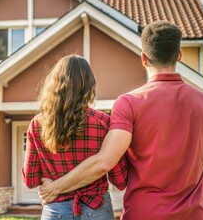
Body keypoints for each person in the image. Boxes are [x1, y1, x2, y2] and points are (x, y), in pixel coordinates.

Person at [39, 21, 203, 220]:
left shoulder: (128, 103)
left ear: (144, 59)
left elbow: (104, 162)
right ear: (179, 55)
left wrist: (55, 188)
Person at [22, 55, 128, 220]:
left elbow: (30, 179)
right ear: (89, 86)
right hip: (96, 208)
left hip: (56, 209)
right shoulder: (104, 122)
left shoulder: (37, 124)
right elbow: (120, 179)